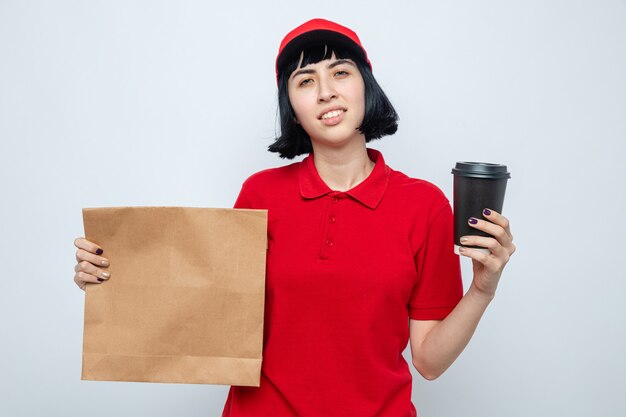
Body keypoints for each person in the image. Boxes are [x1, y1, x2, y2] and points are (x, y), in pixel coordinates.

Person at [73, 18, 515, 417]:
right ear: (292, 105)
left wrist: (481, 288)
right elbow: (203, 308)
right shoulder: (259, 194)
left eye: (340, 72)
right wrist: (113, 278)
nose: (326, 91)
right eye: (305, 81)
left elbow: (429, 362)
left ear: (366, 86)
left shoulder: (425, 205)